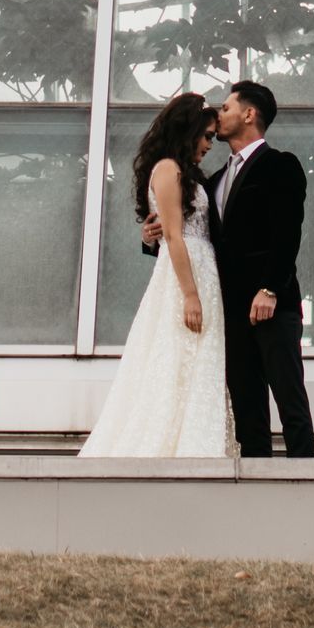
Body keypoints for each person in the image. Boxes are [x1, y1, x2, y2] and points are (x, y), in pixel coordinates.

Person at [163, 81, 314, 460]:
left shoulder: (281, 165)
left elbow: (287, 233)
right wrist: (152, 237)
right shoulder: (212, 181)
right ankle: (256, 488)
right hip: (231, 312)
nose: (219, 114)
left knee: (289, 397)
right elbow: (195, 238)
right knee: (248, 407)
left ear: (249, 115)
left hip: (272, 306)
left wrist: (269, 289)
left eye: (227, 107)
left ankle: (310, 481)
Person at [78, 94, 232, 459]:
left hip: (203, 272)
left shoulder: (186, 172)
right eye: (207, 136)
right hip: (186, 277)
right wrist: (191, 295)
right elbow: (175, 235)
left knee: (197, 361)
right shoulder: (167, 169)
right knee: (177, 355)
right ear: (188, 129)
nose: (210, 144)